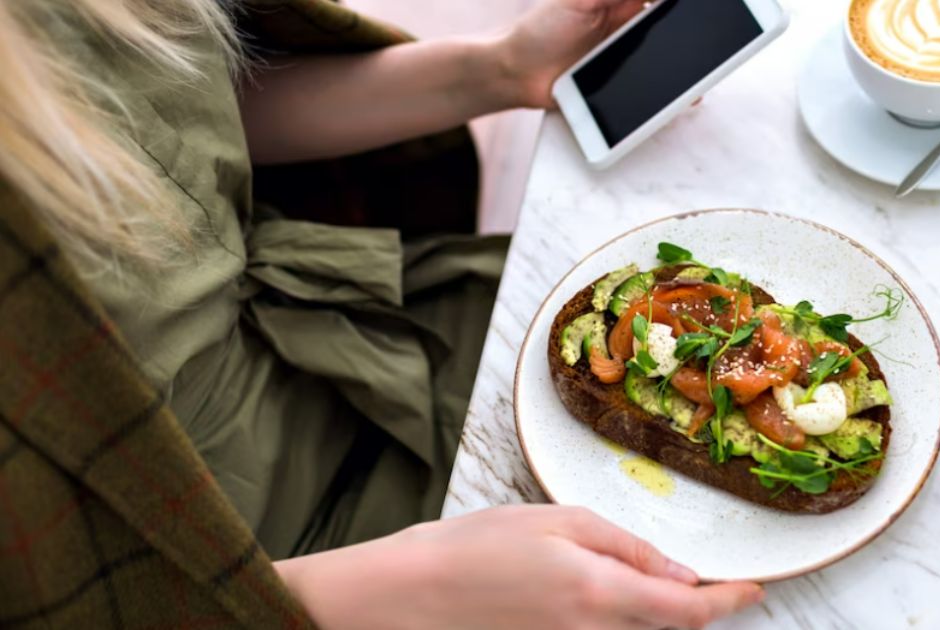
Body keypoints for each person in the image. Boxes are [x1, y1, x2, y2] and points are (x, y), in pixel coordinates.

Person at [0, 0, 762, 627]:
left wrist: (499, 70)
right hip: (227, 559)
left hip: (352, 319)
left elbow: (187, 119)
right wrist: (417, 589)